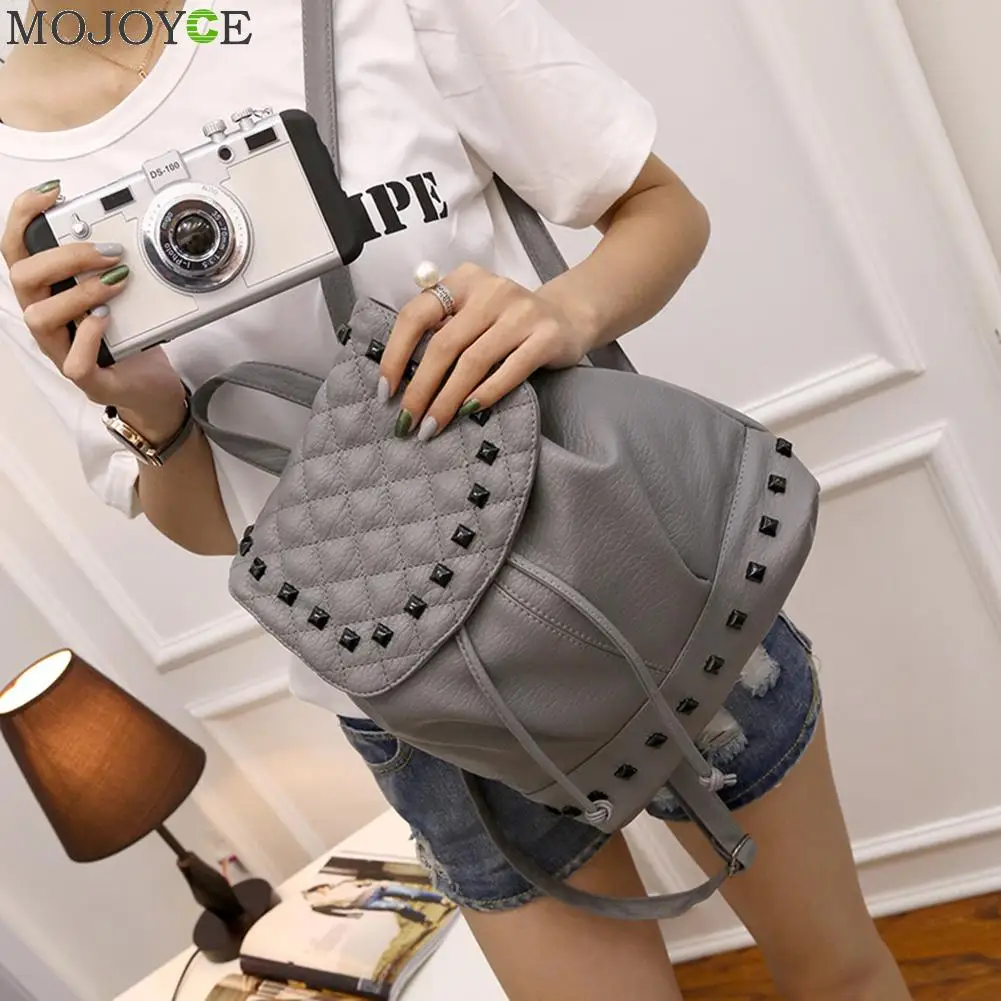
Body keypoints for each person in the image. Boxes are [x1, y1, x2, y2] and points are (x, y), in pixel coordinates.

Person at [0, 2, 912, 999]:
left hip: (628, 575)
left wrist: (561, 311)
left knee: (836, 974)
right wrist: (149, 408)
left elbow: (662, 208)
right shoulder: (20, 194)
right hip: (411, 696)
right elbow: (222, 528)